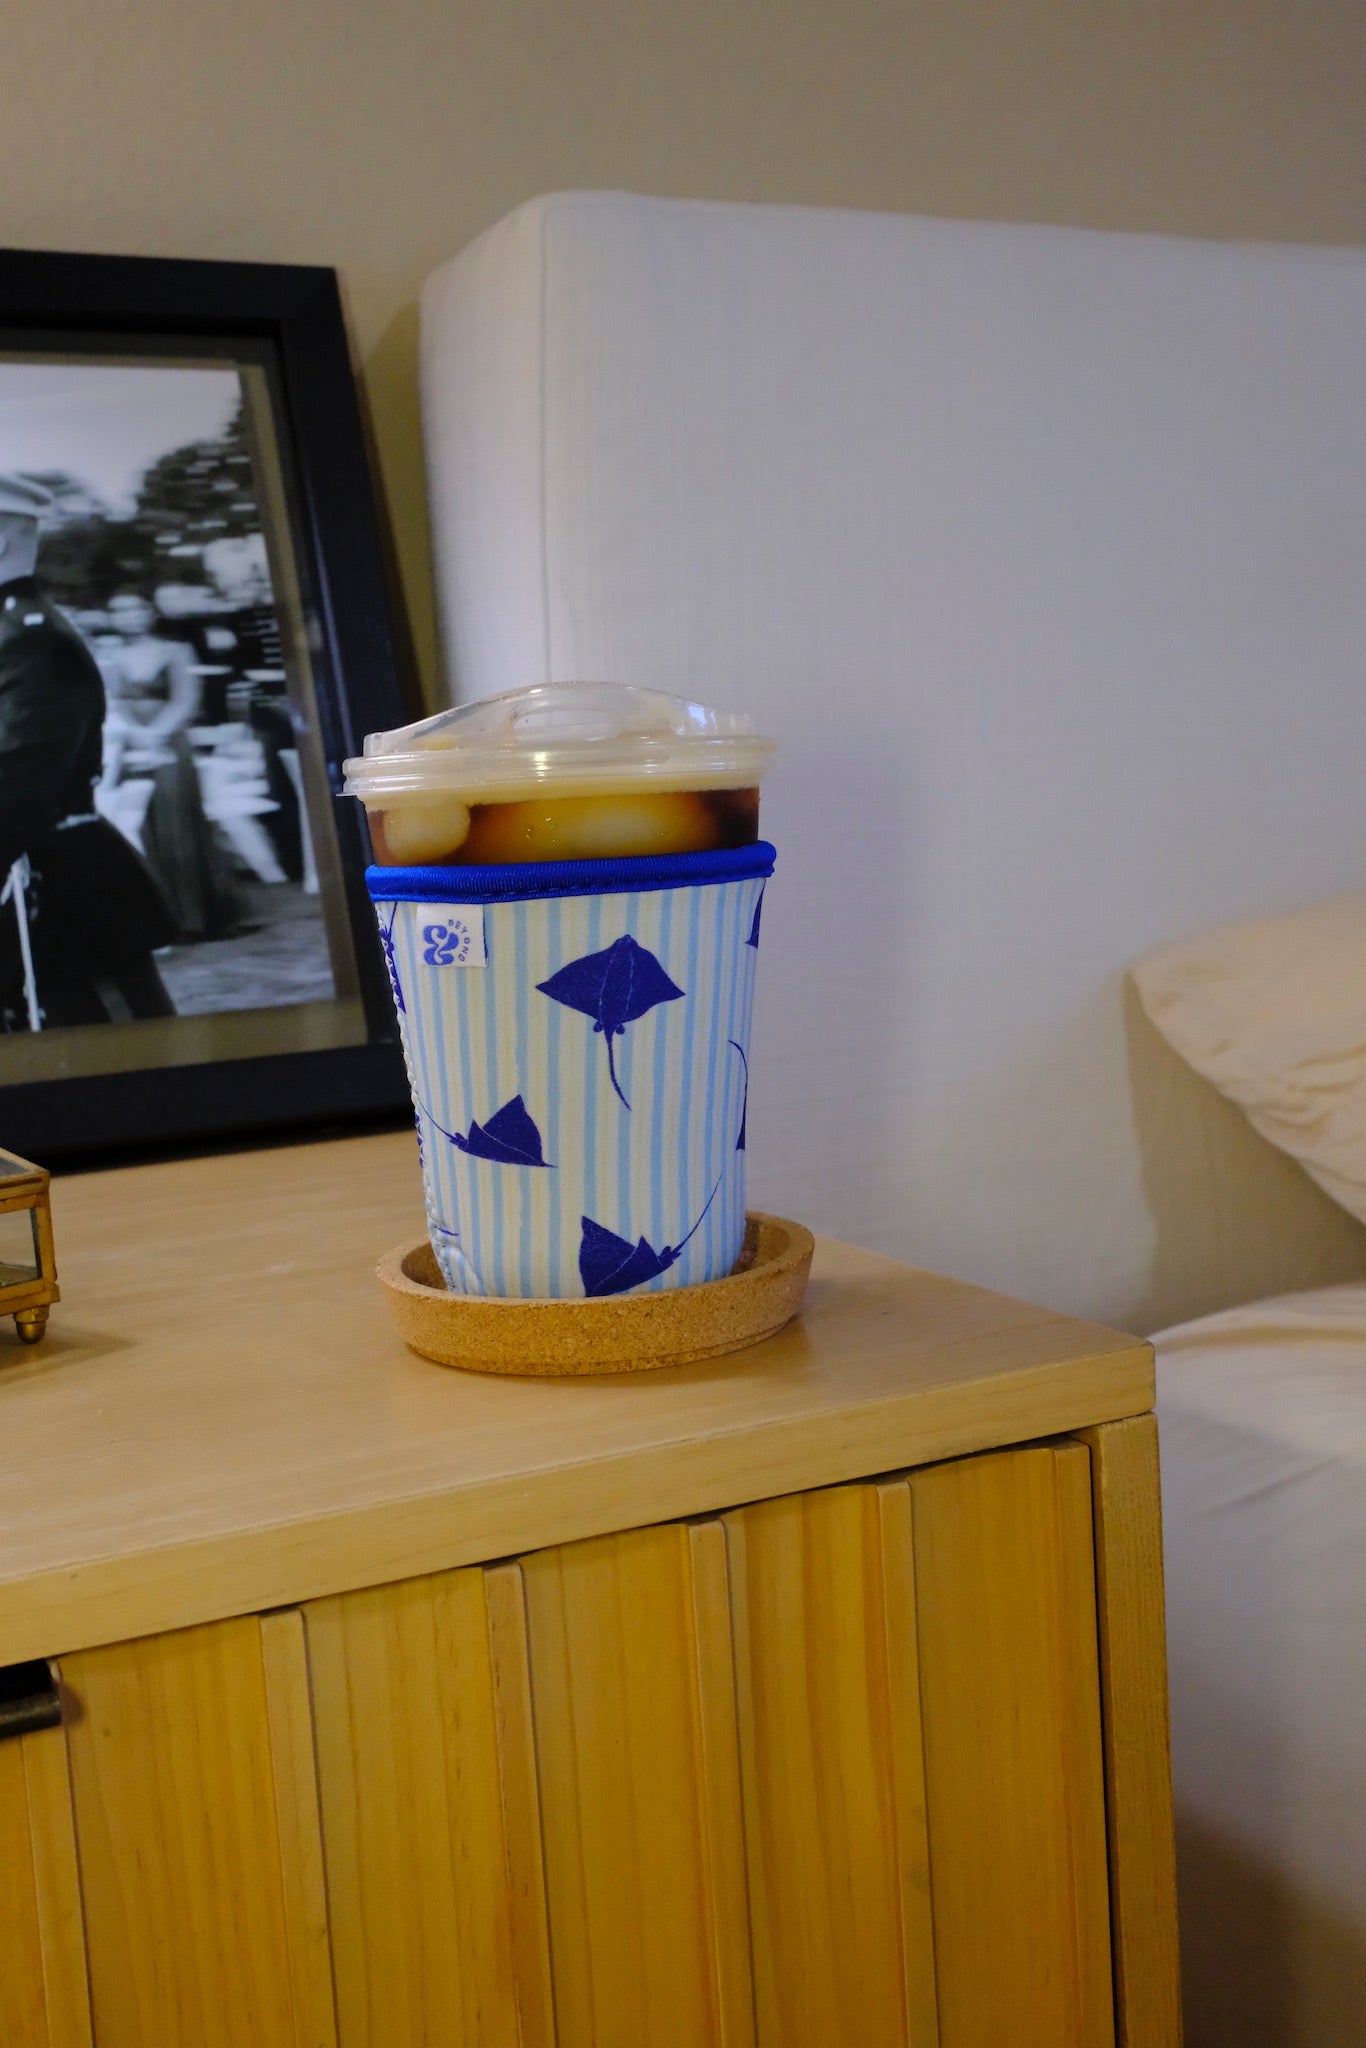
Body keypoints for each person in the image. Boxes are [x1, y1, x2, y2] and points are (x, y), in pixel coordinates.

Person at [0, 476, 176, 1030]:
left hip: (61, 895)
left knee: (132, 1082)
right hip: (30, 888)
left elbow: (20, 784)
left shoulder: (31, 639)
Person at [101, 589, 242, 939]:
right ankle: (161, 919)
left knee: (177, 826)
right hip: (133, 749)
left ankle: (196, 917)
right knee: (143, 828)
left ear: (148, 614)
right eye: (119, 611)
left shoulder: (175, 650)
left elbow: (186, 698)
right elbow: (114, 701)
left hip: (171, 746)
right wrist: (136, 735)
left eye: (134, 609)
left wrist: (157, 734)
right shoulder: (109, 656)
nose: (128, 617)